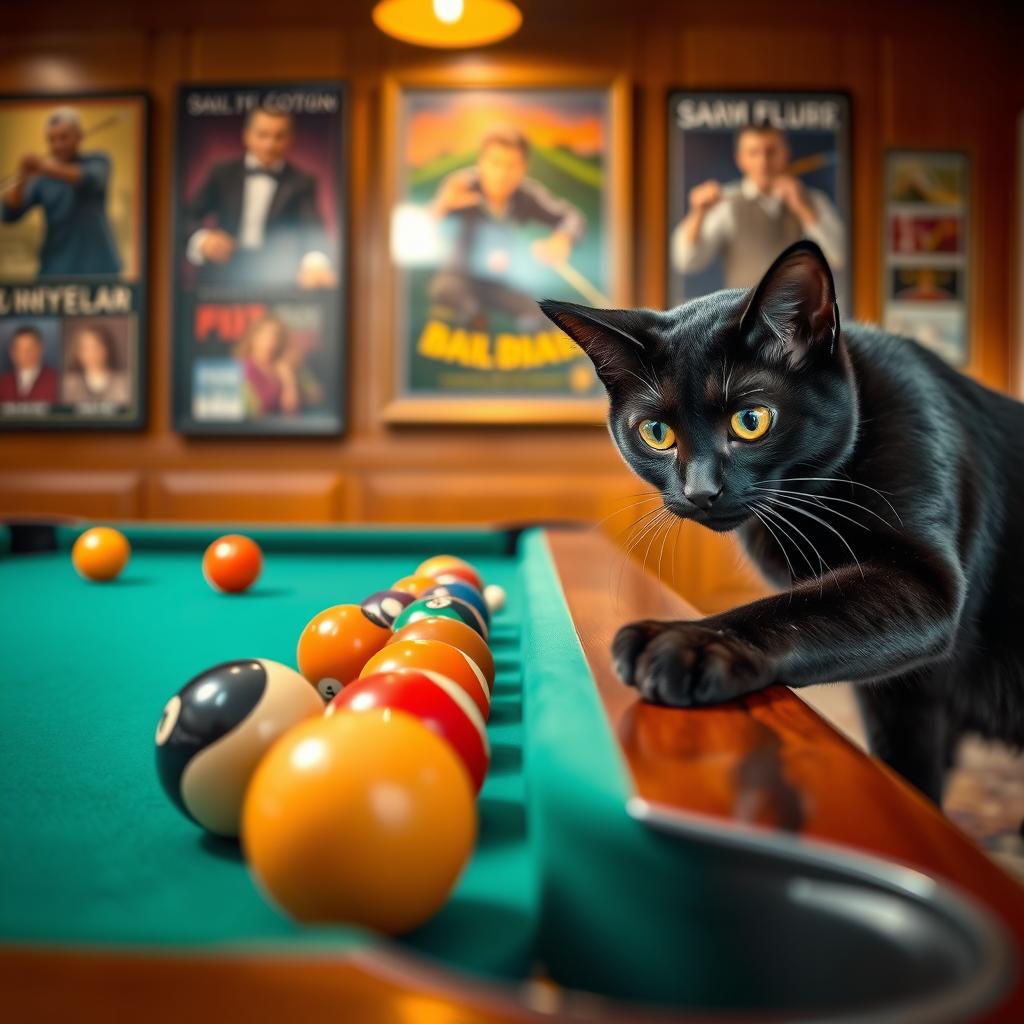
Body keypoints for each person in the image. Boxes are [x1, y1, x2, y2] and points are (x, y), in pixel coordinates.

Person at [427, 126, 585, 329]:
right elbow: (424, 225)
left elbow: (572, 217)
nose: (502, 174)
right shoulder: (461, 187)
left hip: (497, 281)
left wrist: (562, 239)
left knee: (537, 315)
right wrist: (442, 206)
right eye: (495, 163)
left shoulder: (527, 195)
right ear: (481, 163)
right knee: (453, 297)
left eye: (512, 165)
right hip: (458, 277)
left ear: (524, 168)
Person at [671, 124, 844, 289]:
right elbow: (686, 262)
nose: (763, 162)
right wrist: (697, 214)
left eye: (771, 152)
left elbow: (840, 257)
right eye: (753, 153)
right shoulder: (726, 203)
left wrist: (804, 209)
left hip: (798, 317)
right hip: (745, 317)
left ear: (785, 153)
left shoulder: (812, 200)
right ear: (740, 159)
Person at [184, 105, 336, 289]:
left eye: (279, 136)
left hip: (278, 279)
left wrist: (316, 263)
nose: (270, 144)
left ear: (290, 139)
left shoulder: (302, 182)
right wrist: (202, 239)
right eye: (262, 135)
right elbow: (186, 218)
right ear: (247, 135)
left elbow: (313, 229)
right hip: (219, 278)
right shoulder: (222, 173)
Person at [1, 107, 121, 278]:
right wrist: (23, 177)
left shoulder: (98, 161)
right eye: (52, 140)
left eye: (64, 138)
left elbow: (88, 178)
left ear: (79, 136)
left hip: (99, 267)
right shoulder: (41, 178)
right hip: (55, 268)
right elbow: (10, 214)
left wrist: (43, 166)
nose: (57, 145)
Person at [234, 315, 300, 417]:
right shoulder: (241, 367)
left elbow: (291, 411)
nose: (271, 340)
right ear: (254, 337)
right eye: (266, 334)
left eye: (276, 336)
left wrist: (288, 379)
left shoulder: (282, 367)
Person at [61, 324, 130, 404]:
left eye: (96, 347)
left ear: (107, 349)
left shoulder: (124, 382)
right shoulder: (68, 383)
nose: (92, 354)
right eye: (86, 348)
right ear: (77, 353)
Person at [0, 325, 59, 402]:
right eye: (20, 349)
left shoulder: (56, 381)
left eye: (30, 348)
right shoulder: (3, 383)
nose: (25, 354)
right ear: (12, 352)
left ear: (41, 349)